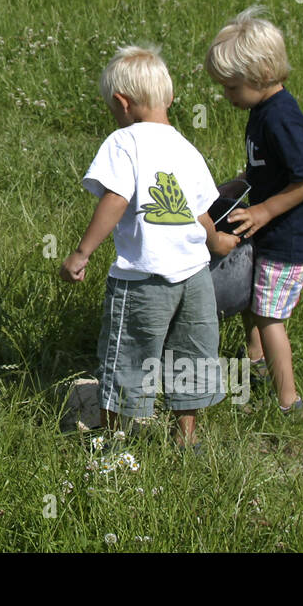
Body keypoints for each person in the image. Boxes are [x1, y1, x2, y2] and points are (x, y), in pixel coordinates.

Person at [61, 45, 239, 450]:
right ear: (170, 98)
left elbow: (116, 198)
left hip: (143, 279)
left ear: (121, 103)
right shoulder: (186, 148)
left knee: (128, 354)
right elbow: (199, 214)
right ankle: (185, 438)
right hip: (195, 277)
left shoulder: (124, 143)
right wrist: (218, 243)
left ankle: (113, 441)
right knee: (190, 354)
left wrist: (82, 252)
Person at [205, 7, 303, 414]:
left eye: (231, 88)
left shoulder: (282, 118)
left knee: (268, 315)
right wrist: (240, 185)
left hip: (291, 237)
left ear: (258, 77)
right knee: (250, 301)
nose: (226, 96)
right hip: (273, 231)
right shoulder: (261, 111)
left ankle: (288, 401)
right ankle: (256, 366)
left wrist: (264, 211)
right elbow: (268, 168)